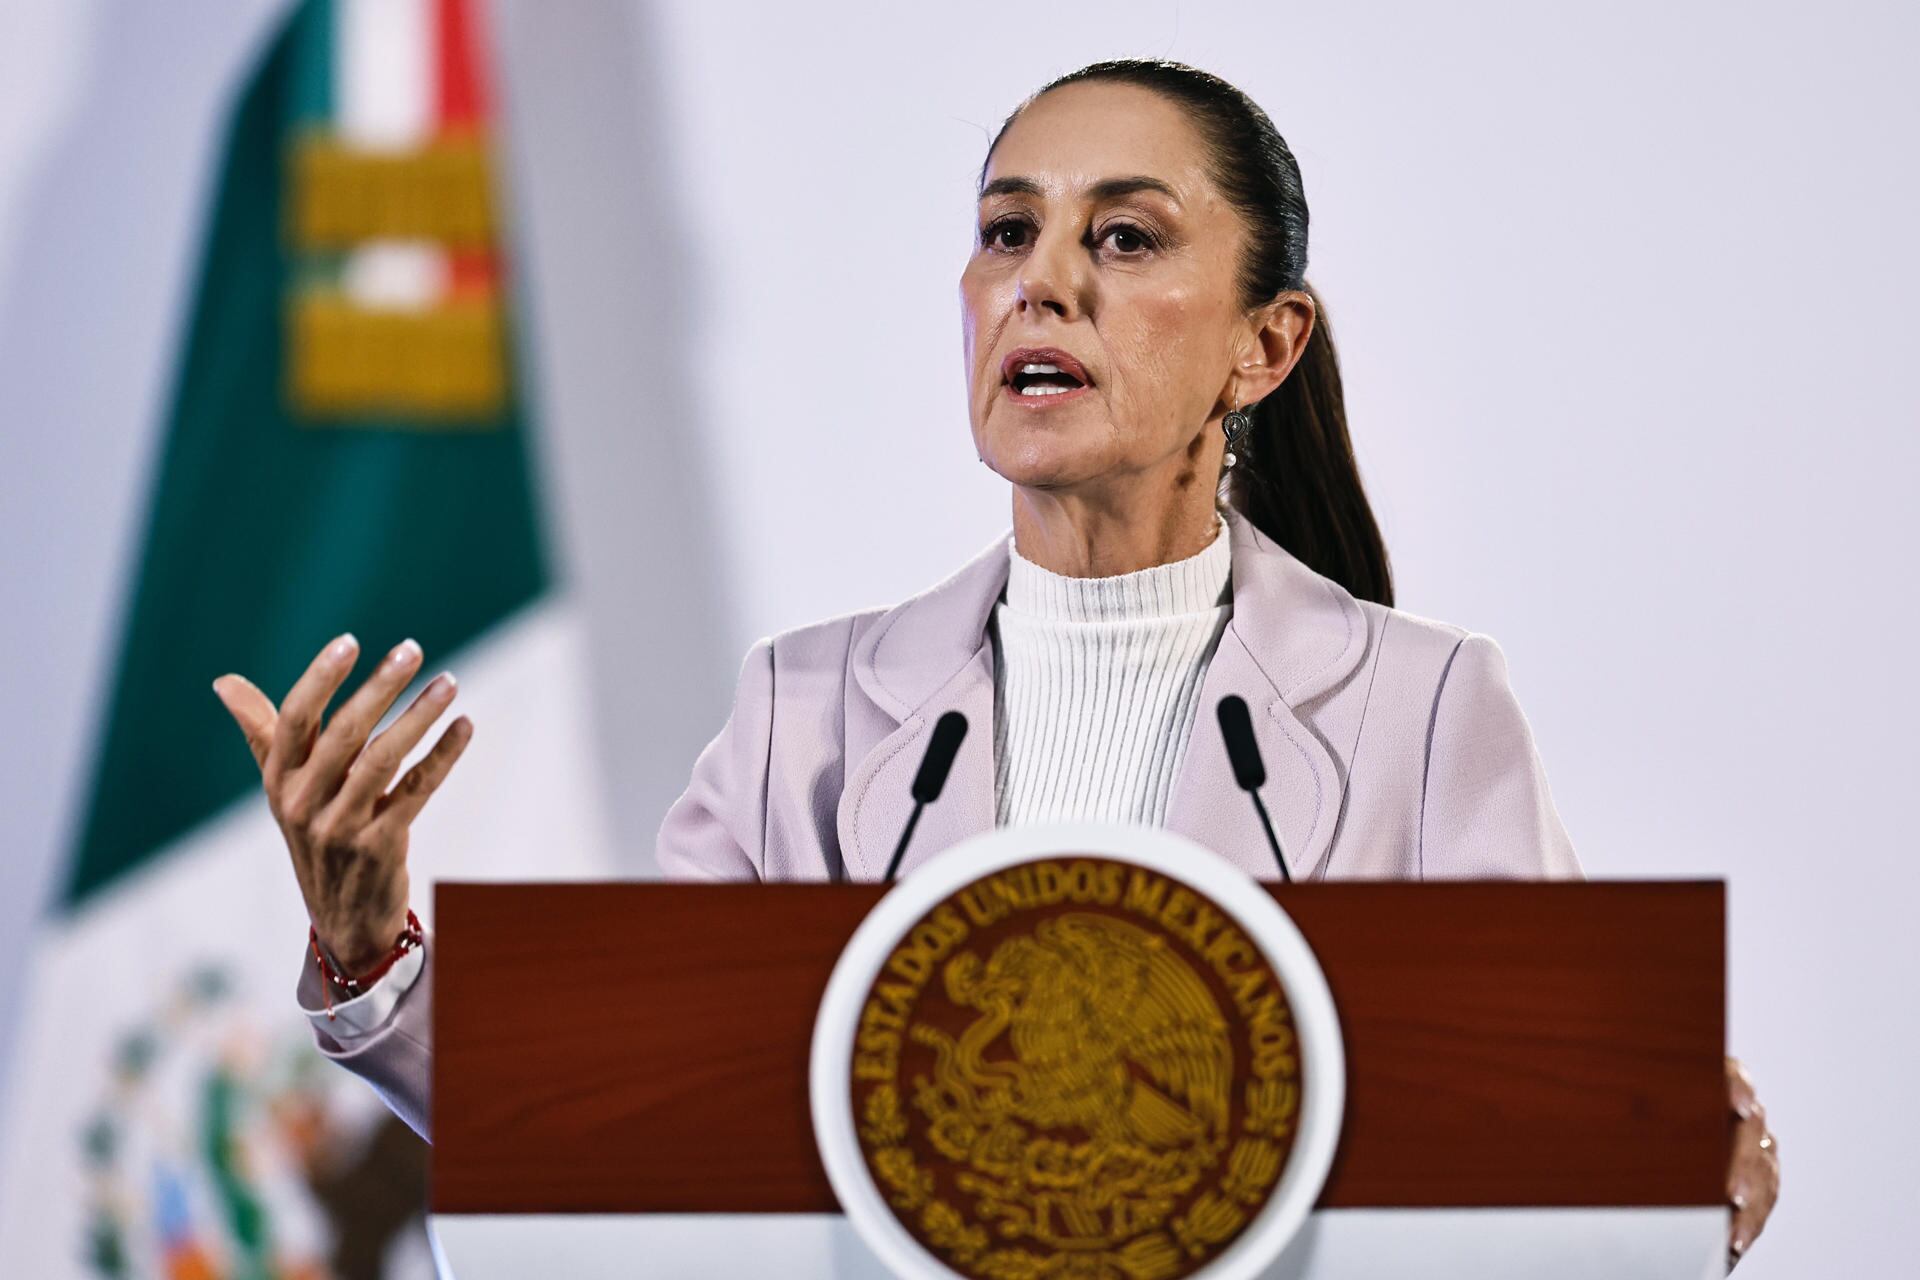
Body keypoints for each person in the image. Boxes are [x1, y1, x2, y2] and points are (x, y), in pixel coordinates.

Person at [212, 59, 1778, 1266]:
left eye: (1126, 237)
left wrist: (1666, 1159)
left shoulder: (1423, 712)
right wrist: (369, 945)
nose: (1042, 279)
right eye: (1008, 231)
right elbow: (618, 1134)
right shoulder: (806, 717)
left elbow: (1542, 1165)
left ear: (1265, 345)